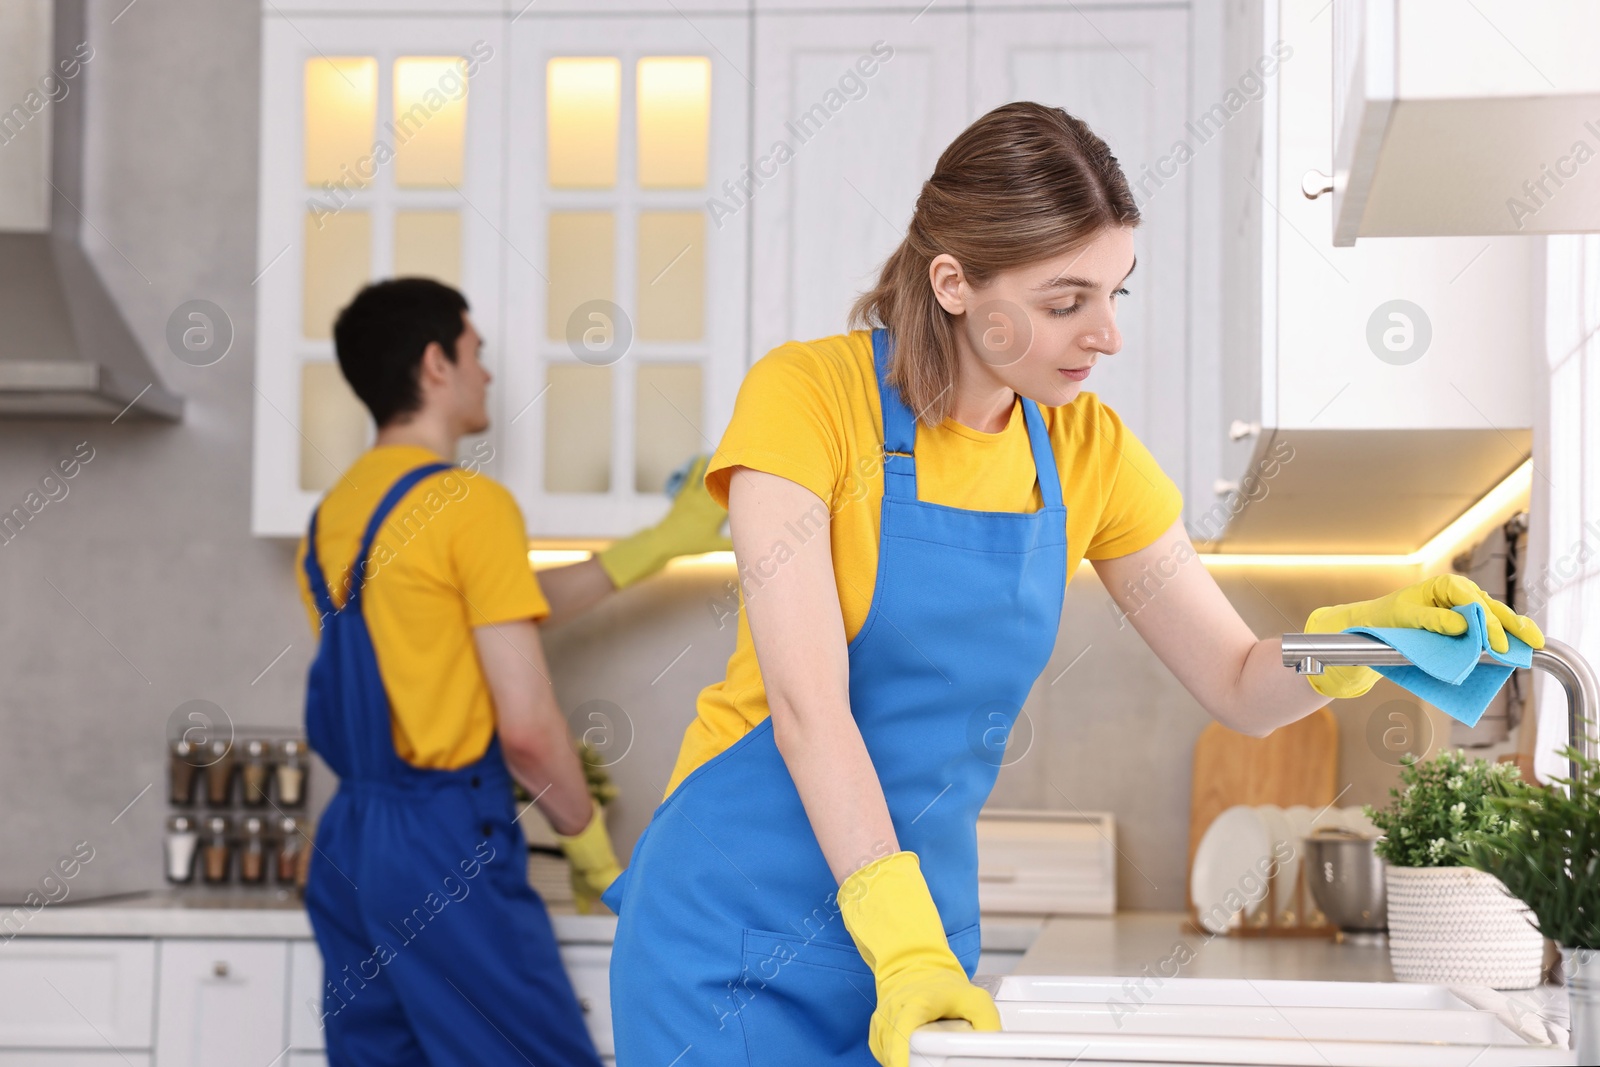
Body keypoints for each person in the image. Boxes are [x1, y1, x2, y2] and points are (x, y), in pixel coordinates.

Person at [600, 101, 1545, 1067]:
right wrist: (903, 941)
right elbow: (809, 709)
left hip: (925, 936)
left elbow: (1239, 685)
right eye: (1066, 301)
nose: (1106, 335)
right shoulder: (809, 399)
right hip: (732, 937)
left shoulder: (1087, 451)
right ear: (954, 282)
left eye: (1115, 293)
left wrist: (1361, 641)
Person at [294, 277, 729, 1066]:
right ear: (435, 364)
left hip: (351, 843)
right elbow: (527, 731)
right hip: (440, 842)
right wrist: (592, 848)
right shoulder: (467, 503)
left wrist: (661, 542)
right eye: (475, 352)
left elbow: (484, 613)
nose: (487, 372)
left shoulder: (332, 516)